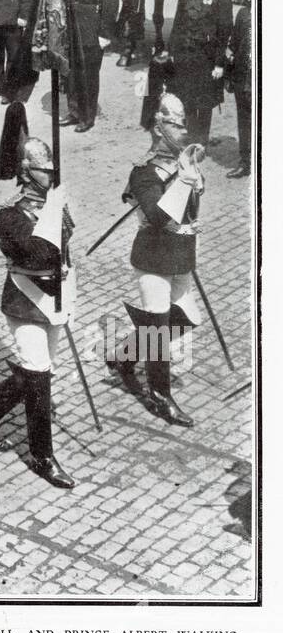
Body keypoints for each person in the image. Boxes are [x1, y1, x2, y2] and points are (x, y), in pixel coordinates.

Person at [0, 138, 75, 489]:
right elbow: (36, 251)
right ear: (28, 172)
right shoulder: (11, 212)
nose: (52, 175)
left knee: (37, 373)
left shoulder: (53, 201)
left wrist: (57, 208)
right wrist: (53, 211)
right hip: (25, 299)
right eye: (46, 170)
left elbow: (67, 238)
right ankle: (42, 456)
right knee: (39, 372)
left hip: (54, 295)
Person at [107, 94, 202, 427]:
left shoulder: (185, 161)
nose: (183, 131)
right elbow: (159, 216)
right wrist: (186, 178)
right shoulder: (145, 172)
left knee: (186, 318)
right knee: (158, 330)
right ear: (161, 127)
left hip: (180, 253)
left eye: (183, 124)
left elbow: (190, 209)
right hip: (152, 254)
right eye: (176, 124)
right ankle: (161, 398)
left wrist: (190, 217)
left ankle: (122, 356)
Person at [60, 0, 119, 132]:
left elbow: (111, 0)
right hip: (72, 26)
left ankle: (87, 116)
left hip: (91, 27)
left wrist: (105, 33)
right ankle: (74, 111)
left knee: (88, 74)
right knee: (71, 72)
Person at [166, 0, 233, 144]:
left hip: (206, 59)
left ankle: (201, 142)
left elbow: (224, 33)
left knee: (203, 102)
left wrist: (219, 64)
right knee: (185, 97)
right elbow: (178, 24)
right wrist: (171, 51)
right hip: (185, 55)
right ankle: (190, 136)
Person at [226, 0, 251, 178]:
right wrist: (229, 73)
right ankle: (246, 161)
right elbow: (233, 45)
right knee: (244, 120)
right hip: (243, 78)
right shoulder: (244, 14)